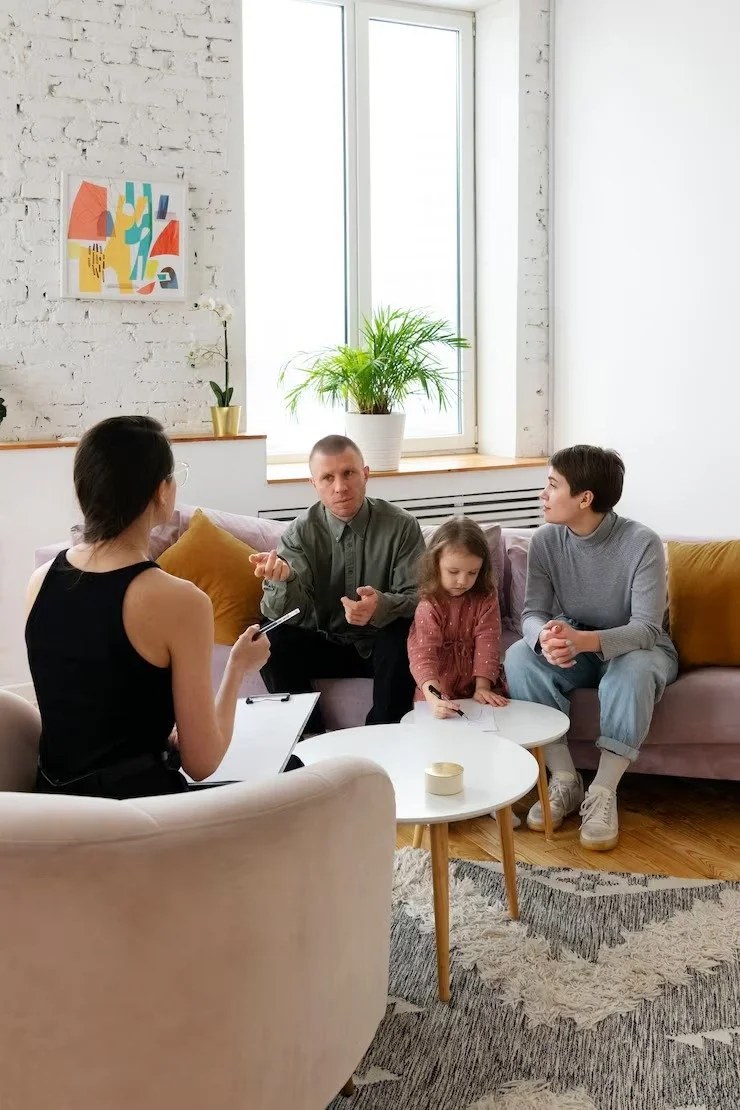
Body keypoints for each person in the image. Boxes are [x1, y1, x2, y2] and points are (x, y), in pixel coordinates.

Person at [25, 415, 271, 800]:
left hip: (54, 810)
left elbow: (85, 708)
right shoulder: (181, 600)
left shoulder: (39, 582)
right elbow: (202, 762)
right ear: (162, 492)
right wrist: (238, 667)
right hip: (137, 823)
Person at [504, 445, 678, 851]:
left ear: (585, 498)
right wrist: (544, 640)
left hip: (641, 647)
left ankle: (603, 790)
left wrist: (585, 641)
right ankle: (565, 780)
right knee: (519, 657)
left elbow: (647, 628)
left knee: (631, 671)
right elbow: (531, 613)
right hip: (578, 640)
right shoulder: (546, 540)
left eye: (552, 486)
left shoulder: (642, 543)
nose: (542, 495)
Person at [250, 434, 425, 731]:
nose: (340, 487)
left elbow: (420, 598)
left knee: (403, 631)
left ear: (365, 474)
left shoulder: (402, 526)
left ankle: (384, 735)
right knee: (270, 636)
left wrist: (380, 605)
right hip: (325, 644)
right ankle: (310, 738)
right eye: (328, 478)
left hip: (380, 649)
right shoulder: (299, 533)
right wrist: (283, 580)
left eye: (349, 473)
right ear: (313, 484)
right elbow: (289, 614)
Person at [408, 517, 508, 718]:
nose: (463, 581)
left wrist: (482, 687)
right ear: (435, 564)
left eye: (472, 573)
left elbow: (488, 642)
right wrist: (434, 697)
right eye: (453, 571)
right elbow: (423, 655)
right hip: (436, 688)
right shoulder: (429, 603)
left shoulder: (486, 596)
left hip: (480, 683)